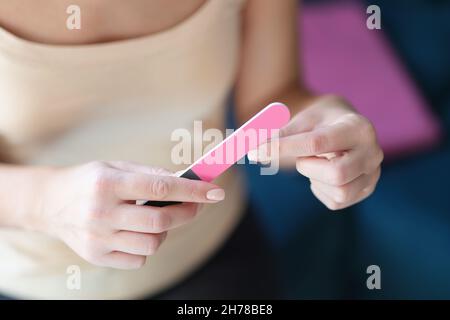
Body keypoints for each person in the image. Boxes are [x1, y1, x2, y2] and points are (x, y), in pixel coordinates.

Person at [0, 0, 383, 299]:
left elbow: (274, 102)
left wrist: (323, 130)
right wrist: (45, 202)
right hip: (28, 279)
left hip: (209, 256)